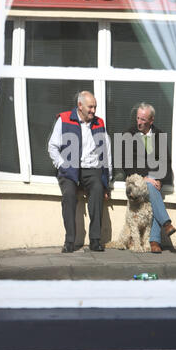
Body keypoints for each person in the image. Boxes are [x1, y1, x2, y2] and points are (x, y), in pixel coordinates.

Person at [48, 91, 112, 253]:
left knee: (97, 190)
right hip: (69, 168)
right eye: (90, 107)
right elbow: (52, 147)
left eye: (95, 107)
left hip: (92, 169)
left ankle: (95, 240)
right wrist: (63, 165)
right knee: (69, 194)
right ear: (80, 106)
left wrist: (107, 181)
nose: (93, 111)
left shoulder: (99, 123)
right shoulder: (64, 120)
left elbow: (107, 151)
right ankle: (70, 241)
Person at [122, 103, 176, 254]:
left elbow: (166, 162)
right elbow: (127, 164)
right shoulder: (129, 134)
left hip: (153, 179)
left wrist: (158, 178)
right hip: (136, 180)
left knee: (153, 188)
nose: (139, 122)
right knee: (151, 186)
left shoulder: (159, 135)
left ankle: (154, 240)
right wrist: (144, 178)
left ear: (151, 120)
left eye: (143, 119)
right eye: (138, 118)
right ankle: (162, 229)